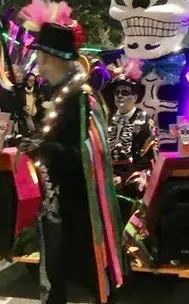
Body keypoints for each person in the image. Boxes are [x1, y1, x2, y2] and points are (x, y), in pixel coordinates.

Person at [19, 20, 123, 304]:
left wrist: (45, 148)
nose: (38, 68)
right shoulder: (62, 93)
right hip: (59, 200)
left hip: (76, 205)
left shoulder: (79, 97)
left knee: (79, 269)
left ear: (53, 60)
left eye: (40, 61)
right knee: (57, 269)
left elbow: (88, 153)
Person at [103, 74, 157, 222]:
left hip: (134, 173)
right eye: (117, 93)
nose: (119, 96)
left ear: (134, 97)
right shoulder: (108, 120)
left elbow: (148, 158)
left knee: (139, 183)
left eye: (125, 93)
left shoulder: (145, 122)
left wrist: (125, 177)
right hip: (108, 175)